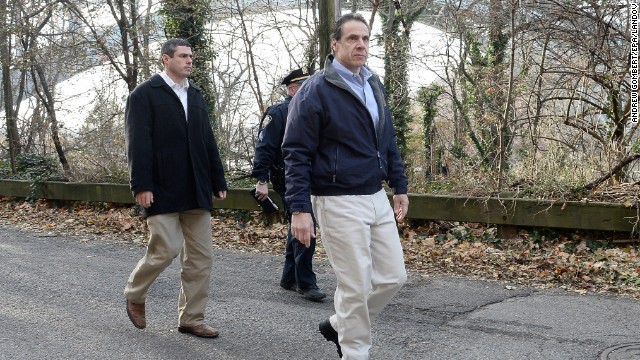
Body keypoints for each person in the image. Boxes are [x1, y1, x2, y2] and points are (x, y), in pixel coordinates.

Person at [282, 13, 409, 359]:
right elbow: (295, 153)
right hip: (336, 199)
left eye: (366, 39)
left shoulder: (373, 84)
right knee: (355, 286)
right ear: (335, 44)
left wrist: (399, 184)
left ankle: (339, 324)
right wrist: (299, 209)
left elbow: (388, 139)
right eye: (352, 38)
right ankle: (355, 351)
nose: (361, 45)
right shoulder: (314, 91)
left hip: (375, 195)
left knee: (393, 278)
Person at [123, 38, 228, 338]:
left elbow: (207, 140)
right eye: (183, 56)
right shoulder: (144, 94)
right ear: (165, 59)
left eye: (191, 56)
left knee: (201, 256)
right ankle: (134, 292)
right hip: (160, 188)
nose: (189, 60)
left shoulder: (195, 94)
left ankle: (191, 318)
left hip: (196, 187)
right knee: (166, 248)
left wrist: (217, 179)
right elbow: (137, 143)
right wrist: (141, 184)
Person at [251, 68, 326, 302]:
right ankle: (306, 282)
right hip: (288, 179)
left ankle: (289, 277)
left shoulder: (313, 110)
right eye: (304, 85)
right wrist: (261, 180)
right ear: (292, 89)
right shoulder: (280, 112)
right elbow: (264, 148)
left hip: (310, 178)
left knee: (300, 224)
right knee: (307, 225)